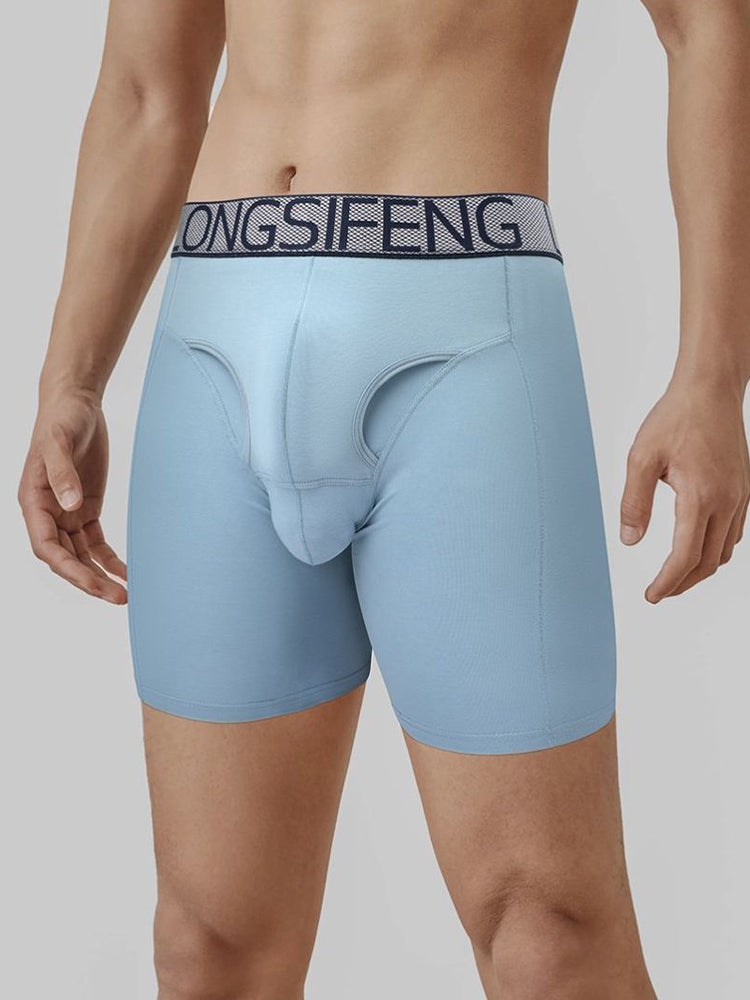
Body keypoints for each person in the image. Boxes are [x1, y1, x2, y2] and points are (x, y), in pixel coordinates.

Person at [18, 1, 750, 996]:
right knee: (205, 946)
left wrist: (712, 378)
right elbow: (151, 87)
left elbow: (708, 24)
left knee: (550, 938)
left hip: (467, 332)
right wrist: (71, 378)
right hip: (211, 336)